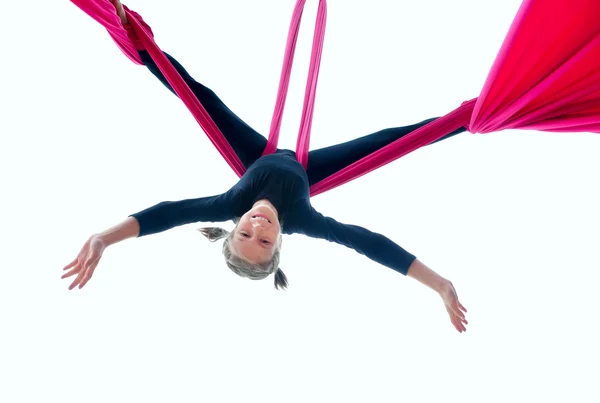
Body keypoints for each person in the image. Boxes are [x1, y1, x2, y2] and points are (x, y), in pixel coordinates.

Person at [62, 0, 468, 333]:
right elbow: (366, 242)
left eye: (244, 233)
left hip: (252, 159)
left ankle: (133, 36)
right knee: (394, 142)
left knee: (197, 99)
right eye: (265, 243)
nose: (258, 228)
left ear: (235, 223)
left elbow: (169, 213)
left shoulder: (233, 201)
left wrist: (104, 238)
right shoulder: (303, 218)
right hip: (311, 173)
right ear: (279, 244)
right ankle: (474, 116)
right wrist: (439, 284)